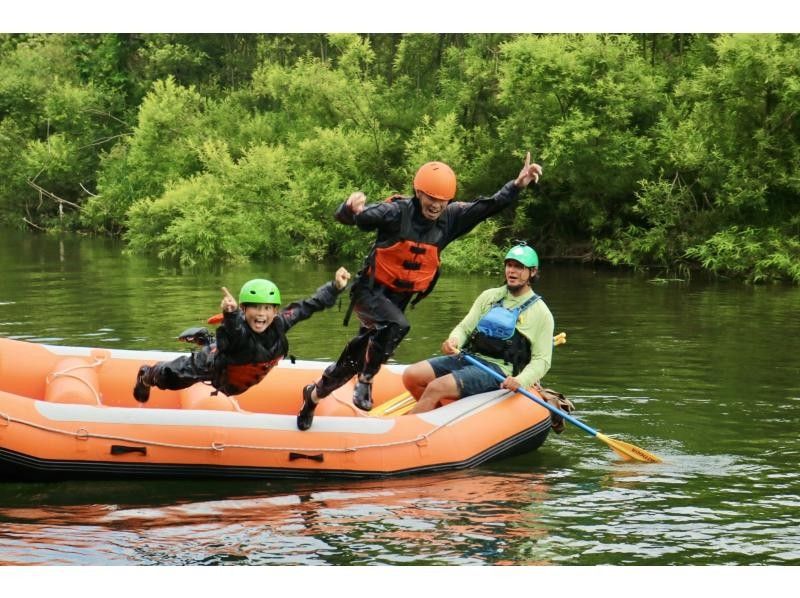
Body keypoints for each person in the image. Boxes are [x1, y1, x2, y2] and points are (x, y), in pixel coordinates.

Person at [296, 154, 542, 431]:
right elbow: (360, 219)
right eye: (430, 198)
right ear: (418, 192)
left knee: (352, 359)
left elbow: (489, 205)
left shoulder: (451, 219)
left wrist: (518, 184)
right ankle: (366, 381)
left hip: (396, 301)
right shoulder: (396, 212)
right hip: (368, 292)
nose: (436, 205)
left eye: (442, 200)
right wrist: (349, 208)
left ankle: (313, 395)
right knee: (398, 324)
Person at [133, 267, 351, 402]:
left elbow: (308, 306)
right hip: (214, 365)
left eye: (267, 308)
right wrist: (230, 313)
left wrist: (335, 287)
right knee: (171, 379)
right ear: (245, 310)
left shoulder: (280, 322)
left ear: (275, 311)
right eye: (254, 308)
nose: (261, 314)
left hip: (238, 370)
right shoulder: (239, 328)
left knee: (230, 341)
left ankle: (207, 339)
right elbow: (236, 330)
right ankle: (146, 374)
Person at [402, 243, 554, 414]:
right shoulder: (489, 296)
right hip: (470, 358)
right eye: (509, 265)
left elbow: (542, 360)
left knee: (436, 387)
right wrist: (454, 340)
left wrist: (521, 380)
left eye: (519, 267)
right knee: (412, 375)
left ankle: (409, 428)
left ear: (532, 272)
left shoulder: (541, 313)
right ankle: (435, 417)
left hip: (499, 371)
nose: (512, 271)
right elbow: (465, 328)